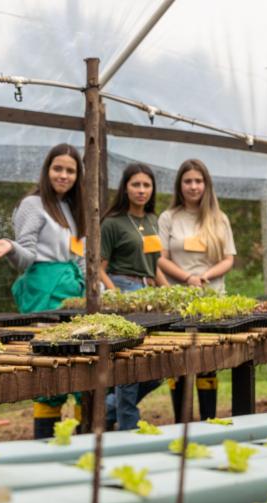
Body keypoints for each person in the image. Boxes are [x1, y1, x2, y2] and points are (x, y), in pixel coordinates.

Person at [0, 143, 88, 438]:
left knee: (81, 368)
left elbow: (80, 256)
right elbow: (26, 256)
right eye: (58, 169)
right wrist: (11, 246)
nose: (63, 175)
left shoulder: (75, 208)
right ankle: (44, 444)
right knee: (49, 370)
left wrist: (94, 289)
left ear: (78, 175)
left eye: (70, 170)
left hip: (74, 296)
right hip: (43, 293)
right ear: (47, 170)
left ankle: (84, 445)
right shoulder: (33, 205)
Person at [157, 159, 236, 420]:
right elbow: (161, 257)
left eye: (198, 181)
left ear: (206, 184)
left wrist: (205, 275)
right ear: (180, 185)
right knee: (178, 360)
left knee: (207, 360)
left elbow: (228, 258)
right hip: (179, 301)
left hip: (212, 300)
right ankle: (181, 421)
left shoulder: (219, 218)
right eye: (188, 181)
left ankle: (208, 419)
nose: (193, 186)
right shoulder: (169, 218)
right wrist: (187, 277)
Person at [98, 163, 167, 429]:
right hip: (123, 289)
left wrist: (170, 292)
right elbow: (98, 268)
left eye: (146, 185)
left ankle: (106, 410)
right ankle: (128, 424)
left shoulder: (151, 221)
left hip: (148, 292)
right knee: (131, 363)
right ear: (125, 188)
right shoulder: (112, 223)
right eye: (135, 185)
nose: (141, 190)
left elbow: (155, 265)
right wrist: (116, 295)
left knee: (156, 366)